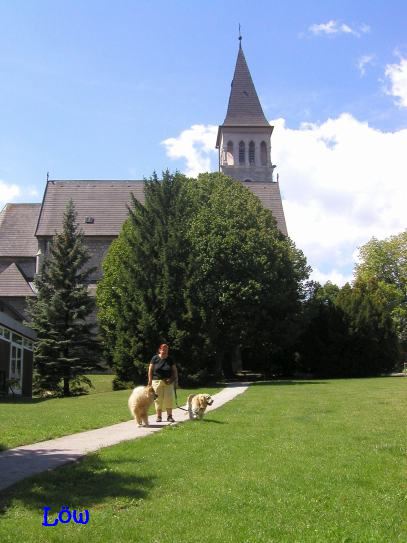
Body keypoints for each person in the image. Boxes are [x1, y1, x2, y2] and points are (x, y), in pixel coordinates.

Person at [148, 343, 178, 423]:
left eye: (166, 349)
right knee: (158, 399)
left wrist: (173, 380)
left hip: (168, 382)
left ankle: (169, 416)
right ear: (159, 350)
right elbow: (150, 369)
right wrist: (150, 381)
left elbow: (174, 370)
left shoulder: (170, 359)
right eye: (163, 349)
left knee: (169, 399)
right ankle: (159, 416)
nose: (165, 351)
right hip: (156, 381)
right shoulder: (155, 358)